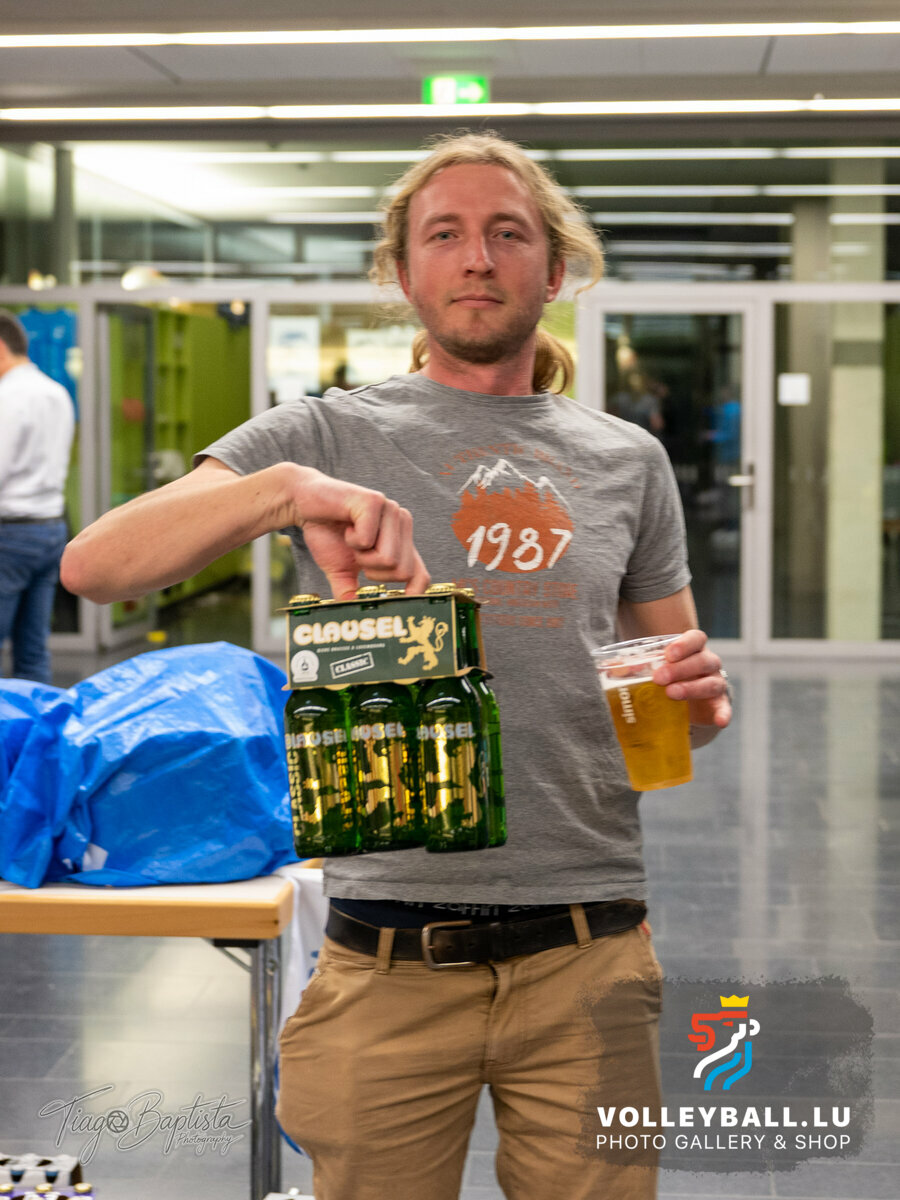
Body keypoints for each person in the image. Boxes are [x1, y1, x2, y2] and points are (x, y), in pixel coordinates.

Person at [61, 132, 731, 1200]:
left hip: (588, 947)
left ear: (555, 270)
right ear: (403, 272)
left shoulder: (627, 458)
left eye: (508, 233)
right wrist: (283, 492)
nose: (478, 258)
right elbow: (97, 566)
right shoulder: (323, 436)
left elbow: (673, 688)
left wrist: (698, 701)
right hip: (386, 958)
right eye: (446, 235)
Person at [0, 310, 75, 685]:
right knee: (32, 651)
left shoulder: (7, 396)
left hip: (9, 533)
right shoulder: (56, 392)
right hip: (50, 528)